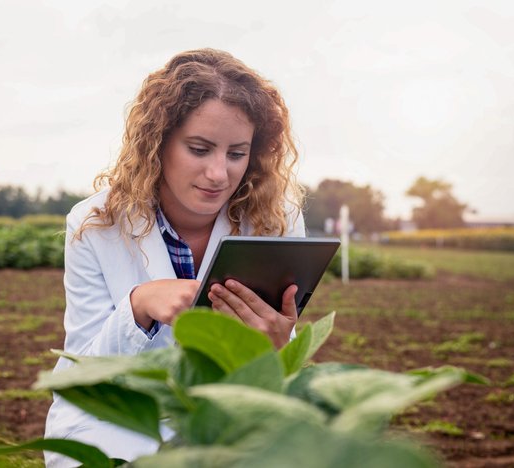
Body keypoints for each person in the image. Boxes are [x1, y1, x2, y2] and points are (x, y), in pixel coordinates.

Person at [44, 48, 306, 467]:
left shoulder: (276, 219)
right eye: (199, 149)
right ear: (158, 142)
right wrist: (138, 306)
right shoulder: (95, 224)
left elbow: (277, 360)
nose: (219, 174)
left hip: (226, 417)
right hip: (118, 421)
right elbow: (82, 374)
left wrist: (276, 347)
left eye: (236, 154)